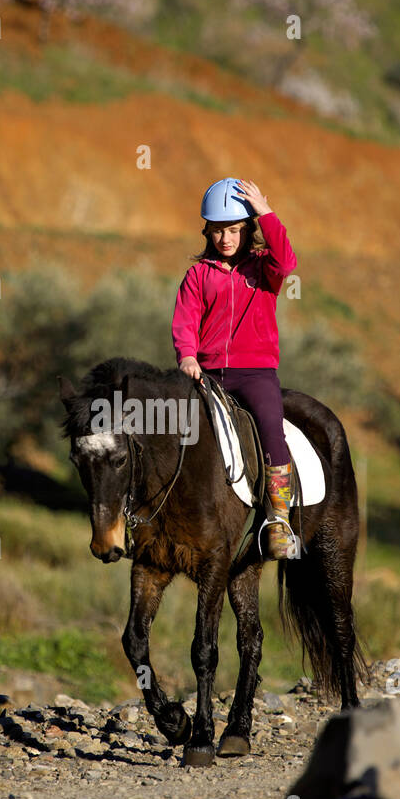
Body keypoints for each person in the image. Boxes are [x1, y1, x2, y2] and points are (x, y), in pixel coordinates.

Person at [171, 177, 300, 559]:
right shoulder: (198, 275)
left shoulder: (265, 269)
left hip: (256, 373)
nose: (225, 239)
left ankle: (279, 520)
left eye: (233, 229)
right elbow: (184, 321)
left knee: (272, 434)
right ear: (207, 231)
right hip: (207, 375)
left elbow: (288, 261)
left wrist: (266, 212)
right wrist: (187, 355)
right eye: (217, 231)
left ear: (248, 230)